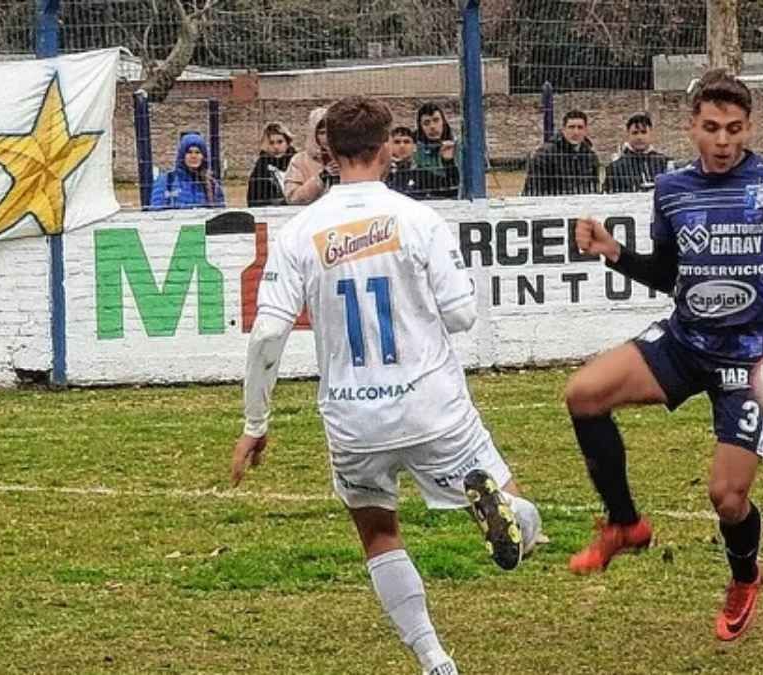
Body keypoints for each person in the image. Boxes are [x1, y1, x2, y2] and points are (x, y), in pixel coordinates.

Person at [229, 96, 543, 675]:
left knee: (378, 533)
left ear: (327, 150)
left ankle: (433, 659)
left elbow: (267, 334)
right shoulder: (418, 219)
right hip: (431, 405)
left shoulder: (301, 232)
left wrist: (256, 424)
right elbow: (461, 316)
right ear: (386, 150)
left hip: (353, 417)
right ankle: (516, 517)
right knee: (522, 516)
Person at [564, 69, 763, 642]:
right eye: (711, 128)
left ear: (749, 128)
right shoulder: (671, 190)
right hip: (686, 341)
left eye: (734, 129)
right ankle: (625, 525)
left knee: (727, 498)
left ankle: (745, 575)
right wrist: (615, 252)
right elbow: (669, 273)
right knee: (584, 394)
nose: (723, 141)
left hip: (754, 364)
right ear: (691, 126)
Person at [521, 110, 600, 196]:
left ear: (585, 130)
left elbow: (593, 189)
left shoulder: (590, 157)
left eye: (580, 127)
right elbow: (533, 190)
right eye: (571, 127)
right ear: (563, 129)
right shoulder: (545, 155)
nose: (576, 132)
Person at [149, 132, 225, 210]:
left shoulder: (212, 185)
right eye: (189, 152)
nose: (193, 156)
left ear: (203, 156)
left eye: (197, 152)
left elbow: (219, 215)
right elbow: (156, 212)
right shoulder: (167, 181)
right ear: (182, 155)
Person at [283, 107, 340, 205]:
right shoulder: (299, 161)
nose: (327, 137)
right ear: (313, 135)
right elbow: (292, 198)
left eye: (330, 132)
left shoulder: (348, 157)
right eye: (322, 133)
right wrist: (322, 177)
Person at [602, 112, 670, 193]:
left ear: (651, 133)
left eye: (643, 132)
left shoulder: (664, 163)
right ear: (627, 135)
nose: (639, 137)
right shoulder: (615, 168)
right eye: (635, 133)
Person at [412, 103, 460, 199]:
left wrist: (448, 161)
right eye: (426, 123)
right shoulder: (415, 149)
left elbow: (459, 184)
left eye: (436, 120)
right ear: (420, 127)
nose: (432, 127)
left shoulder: (458, 147)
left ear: (443, 122)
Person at [246, 122, 296, 207]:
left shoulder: (297, 163)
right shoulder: (260, 170)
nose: (276, 147)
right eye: (271, 143)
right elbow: (254, 200)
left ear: (287, 142)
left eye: (280, 142)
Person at [386, 125, 427, 199]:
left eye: (406, 142)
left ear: (414, 147)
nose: (402, 146)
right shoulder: (383, 174)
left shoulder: (423, 174)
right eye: (397, 142)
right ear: (390, 146)